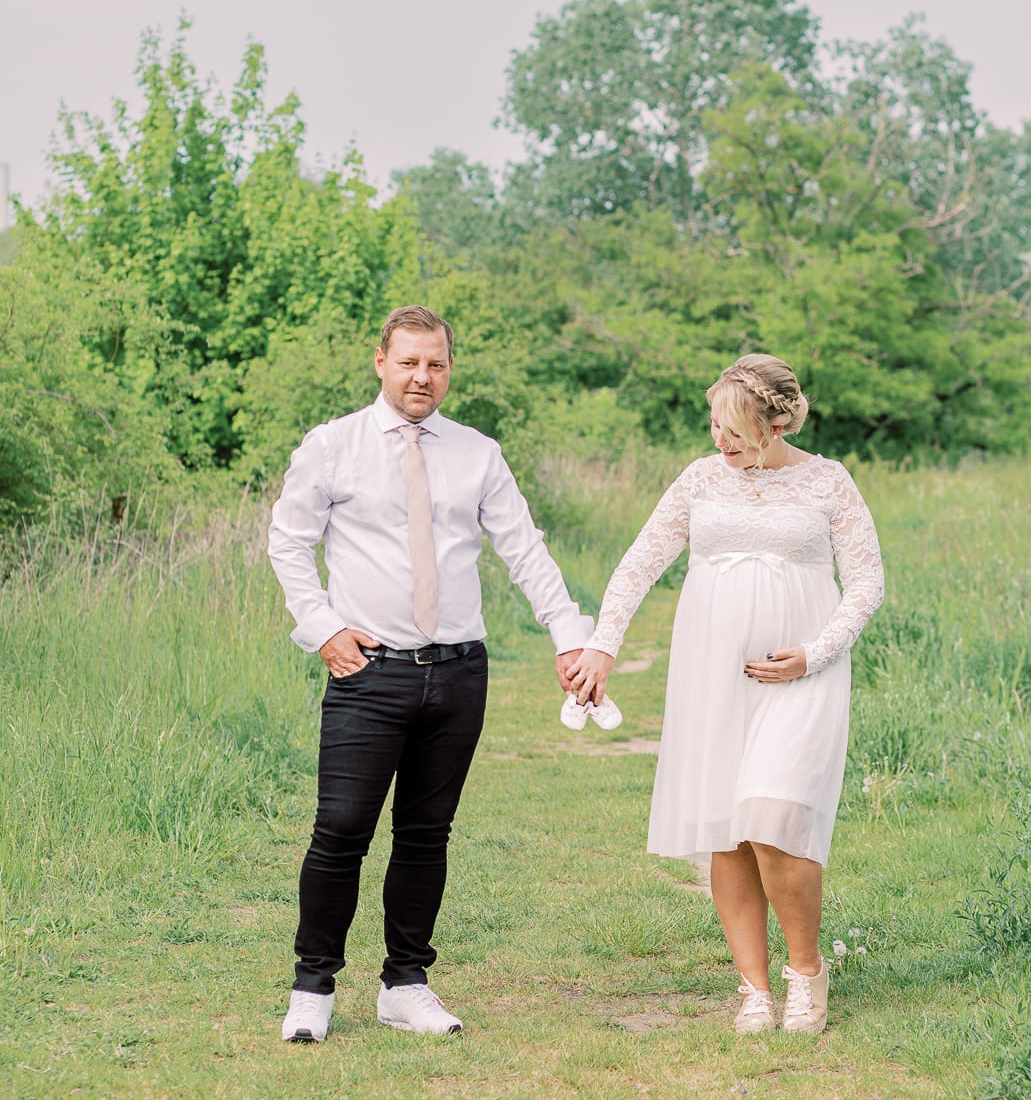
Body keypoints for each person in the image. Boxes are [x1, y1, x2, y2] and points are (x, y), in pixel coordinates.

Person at [268, 305, 595, 1043]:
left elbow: (525, 550)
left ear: (450, 367)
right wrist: (321, 628)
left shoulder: (477, 452)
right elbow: (289, 543)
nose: (423, 376)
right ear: (380, 359)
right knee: (341, 828)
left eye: (437, 363)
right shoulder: (332, 446)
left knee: (426, 833)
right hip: (367, 671)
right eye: (410, 361)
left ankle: (405, 983)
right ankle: (312, 987)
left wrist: (569, 634)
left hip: (457, 674)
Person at [568, 354, 884, 1036]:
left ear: (776, 422)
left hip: (804, 674)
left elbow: (866, 582)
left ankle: (806, 974)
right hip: (713, 673)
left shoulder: (828, 481)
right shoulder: (700, 479)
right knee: (730, 829)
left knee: (775, 817)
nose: (722, 440)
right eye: (715, 424)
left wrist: (815, 652)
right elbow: (639, 563)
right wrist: (603, 644)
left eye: (735, 427)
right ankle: (753, 989)